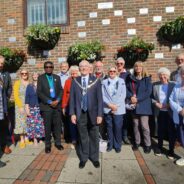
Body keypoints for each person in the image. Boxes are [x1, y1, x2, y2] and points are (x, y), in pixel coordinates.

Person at [69, 60, 103, 169]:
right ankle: (83, 158)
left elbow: (100, 99)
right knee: (82, 136)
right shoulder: (75, 81)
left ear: (90, 68)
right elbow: (72, 99)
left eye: (86, 66)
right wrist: (72, 113)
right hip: (80, 113)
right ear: (79, 69)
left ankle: (94, 158)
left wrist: (100, 114)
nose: (84, 68)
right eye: (81, 66)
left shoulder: (96, 81)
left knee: (94, 136)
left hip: (93, 113)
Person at [37, 61, 63, 153]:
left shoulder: (57, 77)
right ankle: (47, 145)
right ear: (44, 68)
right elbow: (39, 92)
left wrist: (58, 100)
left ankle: (58, 143)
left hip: (57, 106)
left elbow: (60, 90)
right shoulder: (41, 78)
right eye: (46, 67)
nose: (48, 68)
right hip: (46, 106)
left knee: (57, 126)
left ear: (53, 68)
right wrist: (49, 101)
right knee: (47, 127)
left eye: (50, 67)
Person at [126, 61, 152, 154]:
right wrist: (130, 97)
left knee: (145, 126)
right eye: (136, 66)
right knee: (136, 125)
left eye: (139, 66)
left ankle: (147, 144)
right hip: (134, 106)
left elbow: (148, 92)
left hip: (144, 105)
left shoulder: (147, 79)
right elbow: (127, 89)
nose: (138, 68)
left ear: (142, 67)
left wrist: (138, 99)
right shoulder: (131, 78)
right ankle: (137, 142)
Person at [152, 67, 176, 159]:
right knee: (160, 131)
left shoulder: (173, 85)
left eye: (164, 75)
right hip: (160, 112)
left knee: (171, 131)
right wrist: (156, 103)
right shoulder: (155, 85)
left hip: (170, 112)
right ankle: (159, 147)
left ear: (168, 75)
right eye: (160, 75)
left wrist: (170, 104)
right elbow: (151, 98)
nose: (162, 76)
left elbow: (177, 97)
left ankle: (171, 150)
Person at [102, 66, 126, 153]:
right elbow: (102, 95)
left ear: (116, 72)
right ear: (108, 72)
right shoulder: (104, 82)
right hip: (107, 107)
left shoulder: (121, 81)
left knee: (118, 127)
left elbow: (123, 95)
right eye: (110, 71)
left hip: (118, 108)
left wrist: (115, 106)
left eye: (114, 71)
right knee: (109, 127)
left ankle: (117, 145)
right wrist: (109, 105)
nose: (112, 72)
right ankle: (110, 144)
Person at [62, 66, 80, 148]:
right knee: (72, 124)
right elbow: (65, 94)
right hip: (70, 105)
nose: (74, 75)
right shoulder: (68, 81)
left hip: (80, 106)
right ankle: (74, 140)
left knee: (80, 123)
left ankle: (80, 140)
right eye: (72, 73)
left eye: (75, 73)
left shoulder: (81, 80)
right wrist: (63, 106)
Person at [169, 65, 184, 166]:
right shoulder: (177, 86)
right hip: (179, 114)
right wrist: (179, 109)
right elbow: (171, 99)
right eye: (183, 73)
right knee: (182, 136)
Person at [14, 69, 32, 148]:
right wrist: (20, 106)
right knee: (21, 122)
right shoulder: (17, 83)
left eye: (25, 73)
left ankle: (27, 138)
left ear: (28, 74)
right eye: (22, 73)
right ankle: (22, 139)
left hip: (29, 105)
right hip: (20, 105)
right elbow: (16, 95)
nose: (24, 74)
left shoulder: (30, 83)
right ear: (20, 74)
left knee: (28, 121)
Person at [25, 73, 45, 146]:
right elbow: (27, 98)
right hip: (32, 107)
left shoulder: (42, 86)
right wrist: (27, 108)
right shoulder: (29, 86)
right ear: (32, 76)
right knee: (32, 124)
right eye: (34, 75)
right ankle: (35, 139)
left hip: (40, 107)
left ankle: (40, 138)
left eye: (37, 75)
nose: (35, 76)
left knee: (40, 123)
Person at [0, 55, 12, 167]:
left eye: (2, 63)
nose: (1, 65)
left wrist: (6, 99)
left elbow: (9, 88)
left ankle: (4, 146)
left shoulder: (5, 74)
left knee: (3, 129)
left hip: (2, 108)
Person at [116, 57, 131, 145]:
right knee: (117, 120)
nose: (119, 65)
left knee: (125, 120)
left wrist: (128, 96)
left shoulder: (127, 74)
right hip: (115, 101)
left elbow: (129, 88)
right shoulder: (113, 72)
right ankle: (117, 137)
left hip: (125, 101)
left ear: (124, 64)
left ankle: (124, 136)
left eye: (121, 63)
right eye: (118, 63)